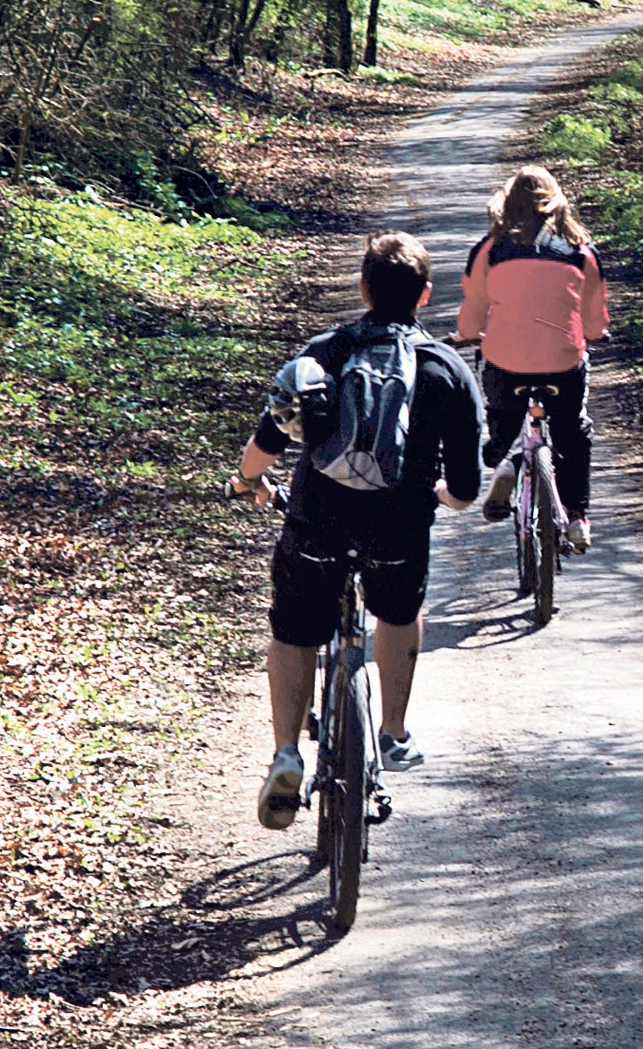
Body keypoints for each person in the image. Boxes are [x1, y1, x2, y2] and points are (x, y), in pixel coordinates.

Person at [228, 231, 483, 828]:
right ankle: (392, 733)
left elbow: (266, 444)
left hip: (319, 519)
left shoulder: (324, 354)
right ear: (425, 295)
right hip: (397, 529)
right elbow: (467, 488)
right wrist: (439, 494)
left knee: (294, 632)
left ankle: (287, 752)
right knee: (396, 613)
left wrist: (246, 484)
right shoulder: (448, 369)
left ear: (363, 288)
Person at [455, 164, 608, 553]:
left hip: (506, 361)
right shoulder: (581, 251)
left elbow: (473, 309)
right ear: (557, 203)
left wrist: (468, 334)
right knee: (573, 431)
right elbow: (594, 316)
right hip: (563, 361)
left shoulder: (490, 250)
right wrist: (594, 334)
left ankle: (506, 456)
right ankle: (576, 518)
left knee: (503, 410)